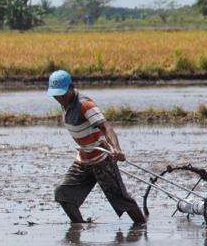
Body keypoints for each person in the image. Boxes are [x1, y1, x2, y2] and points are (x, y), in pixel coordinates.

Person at [47, 70, 147, 227]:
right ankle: (78, 226)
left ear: (71, 88)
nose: (59, 99)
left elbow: (106, 127)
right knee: (62, 193)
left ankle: (142, 227)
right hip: (84, 158)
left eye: (62, 94)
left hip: (102, 159)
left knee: (121, 199)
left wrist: (116, 149)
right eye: (56, 95)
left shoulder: (84, 105)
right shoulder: (65, 104)